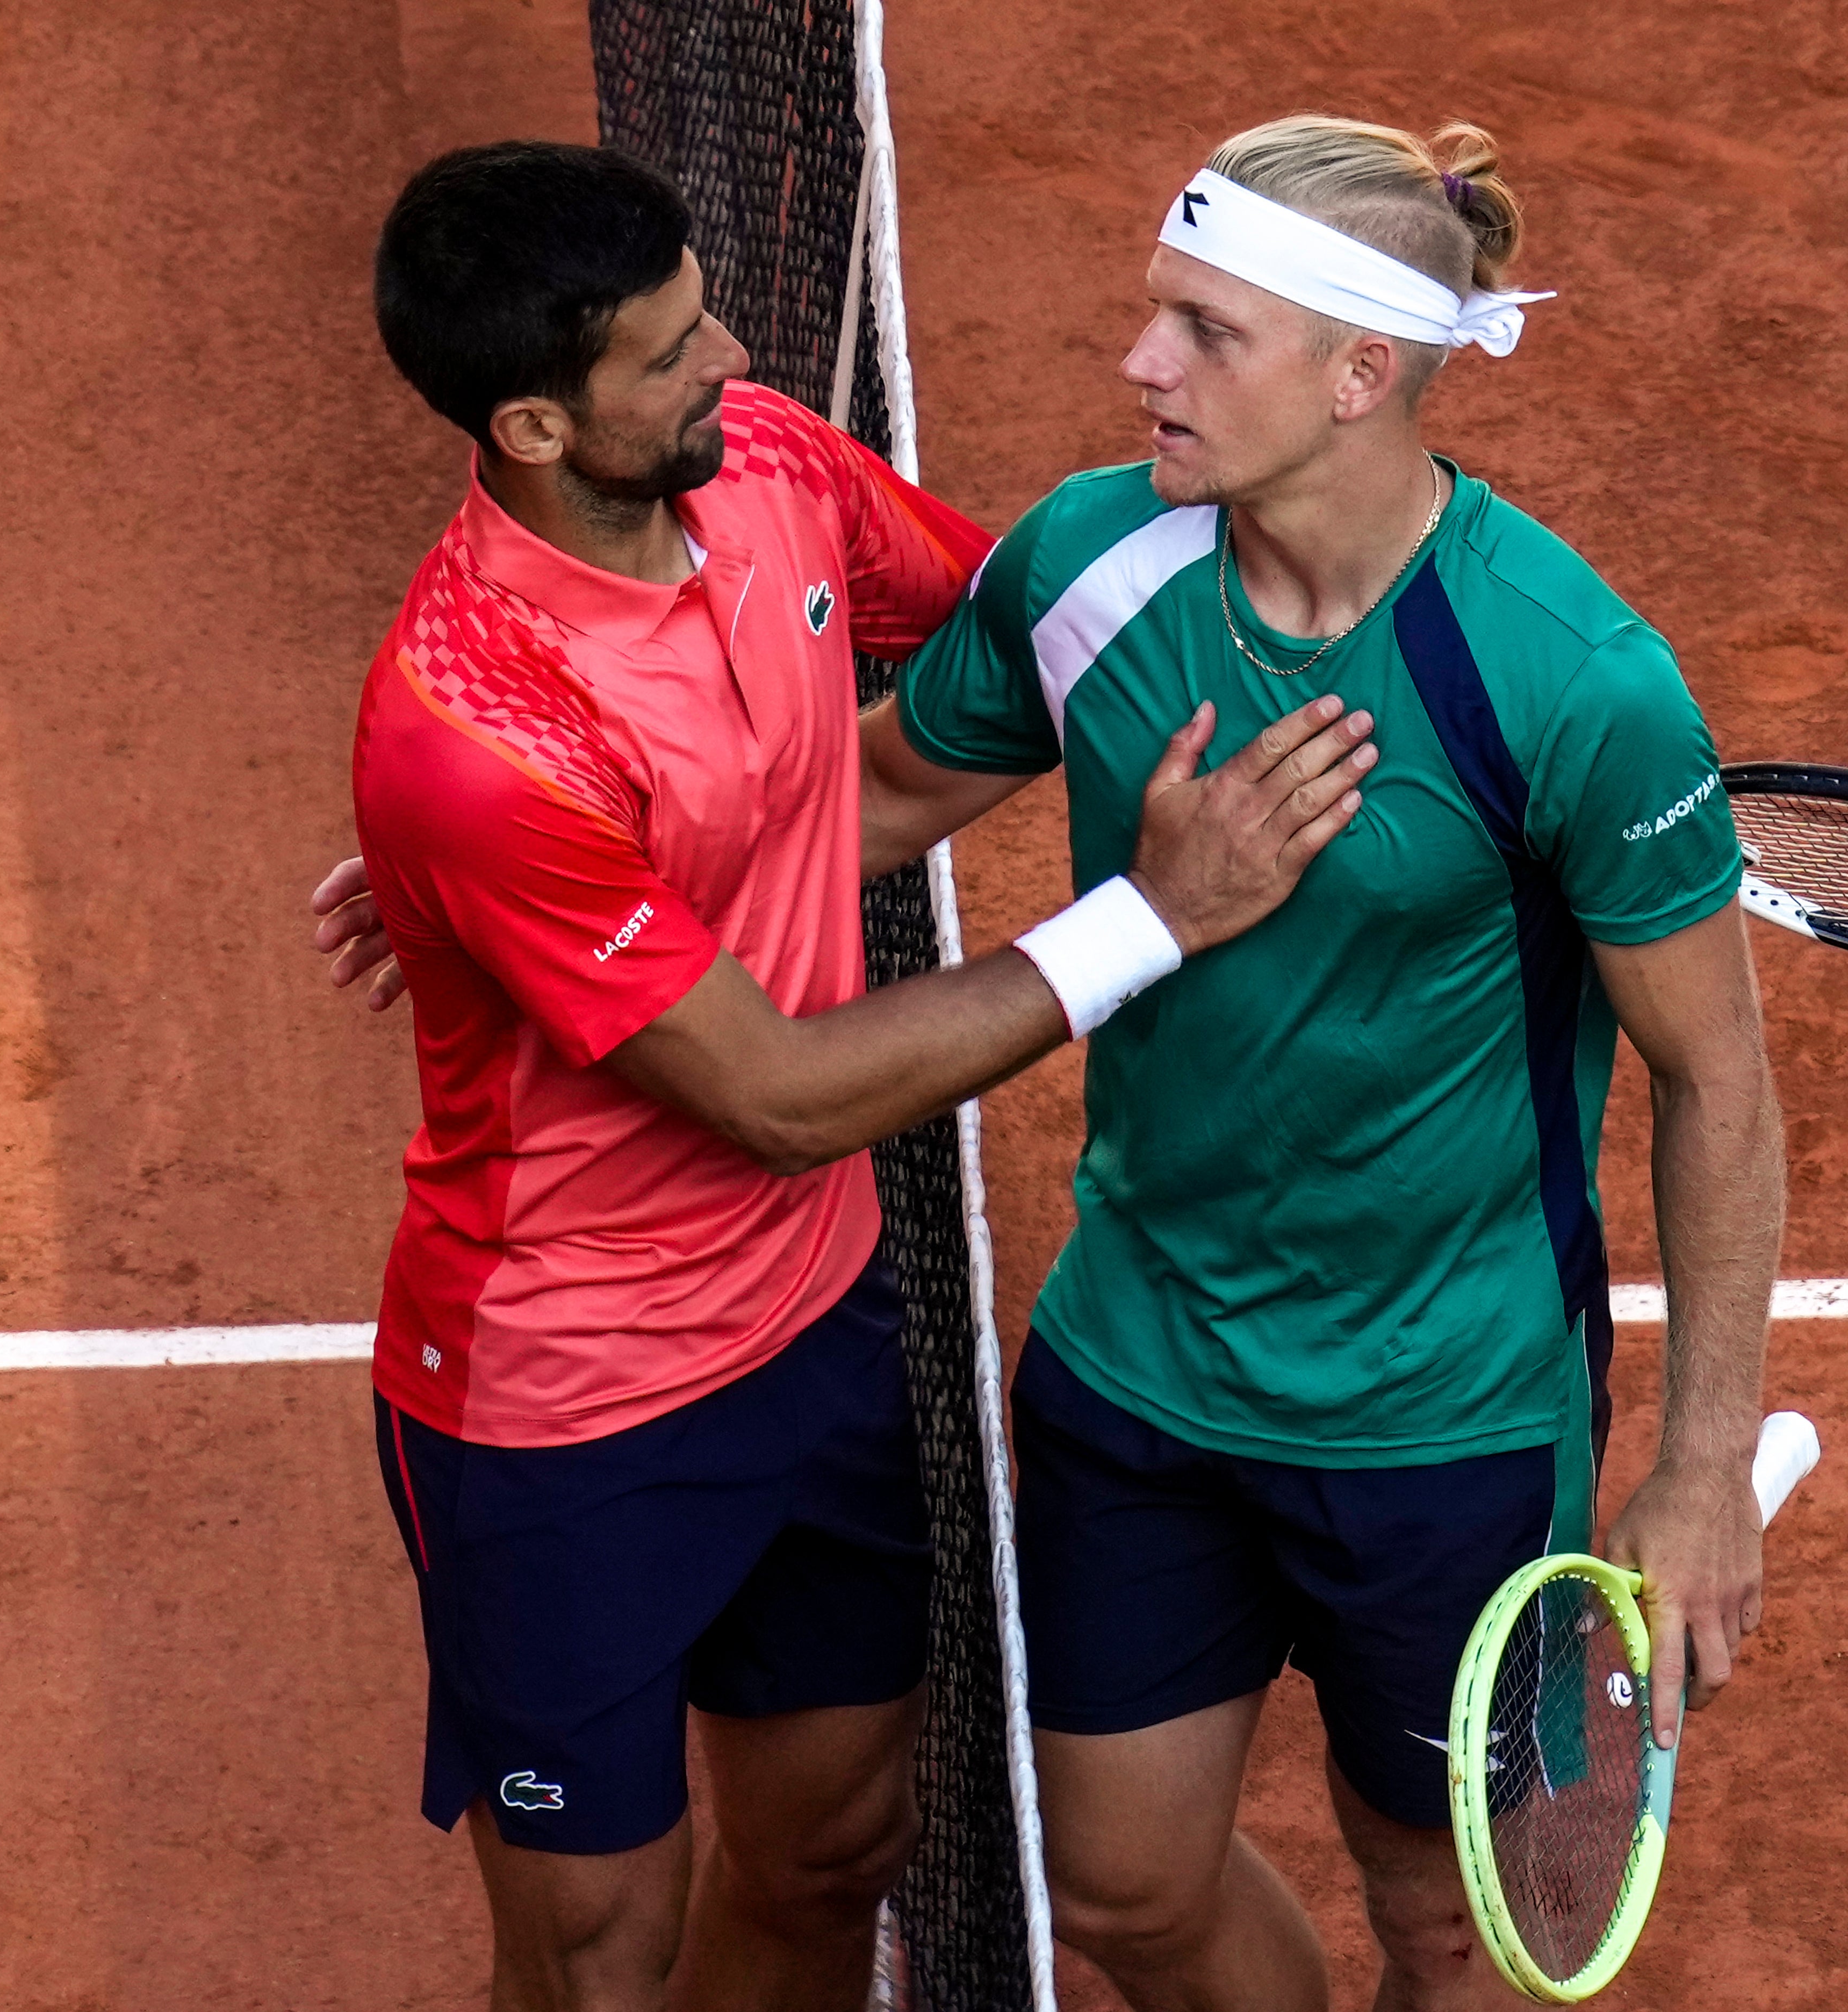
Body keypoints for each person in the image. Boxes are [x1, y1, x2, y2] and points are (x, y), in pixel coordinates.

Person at [335, 140, 1375, 2012]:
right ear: (534, 427)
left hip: (810, 1344)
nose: (726, 353)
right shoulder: (478, 732)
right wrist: (1160, 914)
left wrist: (1431, 706)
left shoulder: (775, 478)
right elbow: (779, 1097)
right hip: (564, 1414)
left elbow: (1050, 646)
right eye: (665, 355)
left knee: (829, 1856)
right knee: (595, 1957)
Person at [861, 116, 1787, 2012]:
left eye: (1206, 332)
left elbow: (1715, 1083)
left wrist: (1697, 1471)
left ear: (1365, 374)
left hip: (1442, 1424)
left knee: (1447, 1926)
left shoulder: (1567, 681)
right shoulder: (1093, 564)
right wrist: (554, 836)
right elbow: (870, 792)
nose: (1141, 365)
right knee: (1116, 1889)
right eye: (1156, 319)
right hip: (1144, 1364)